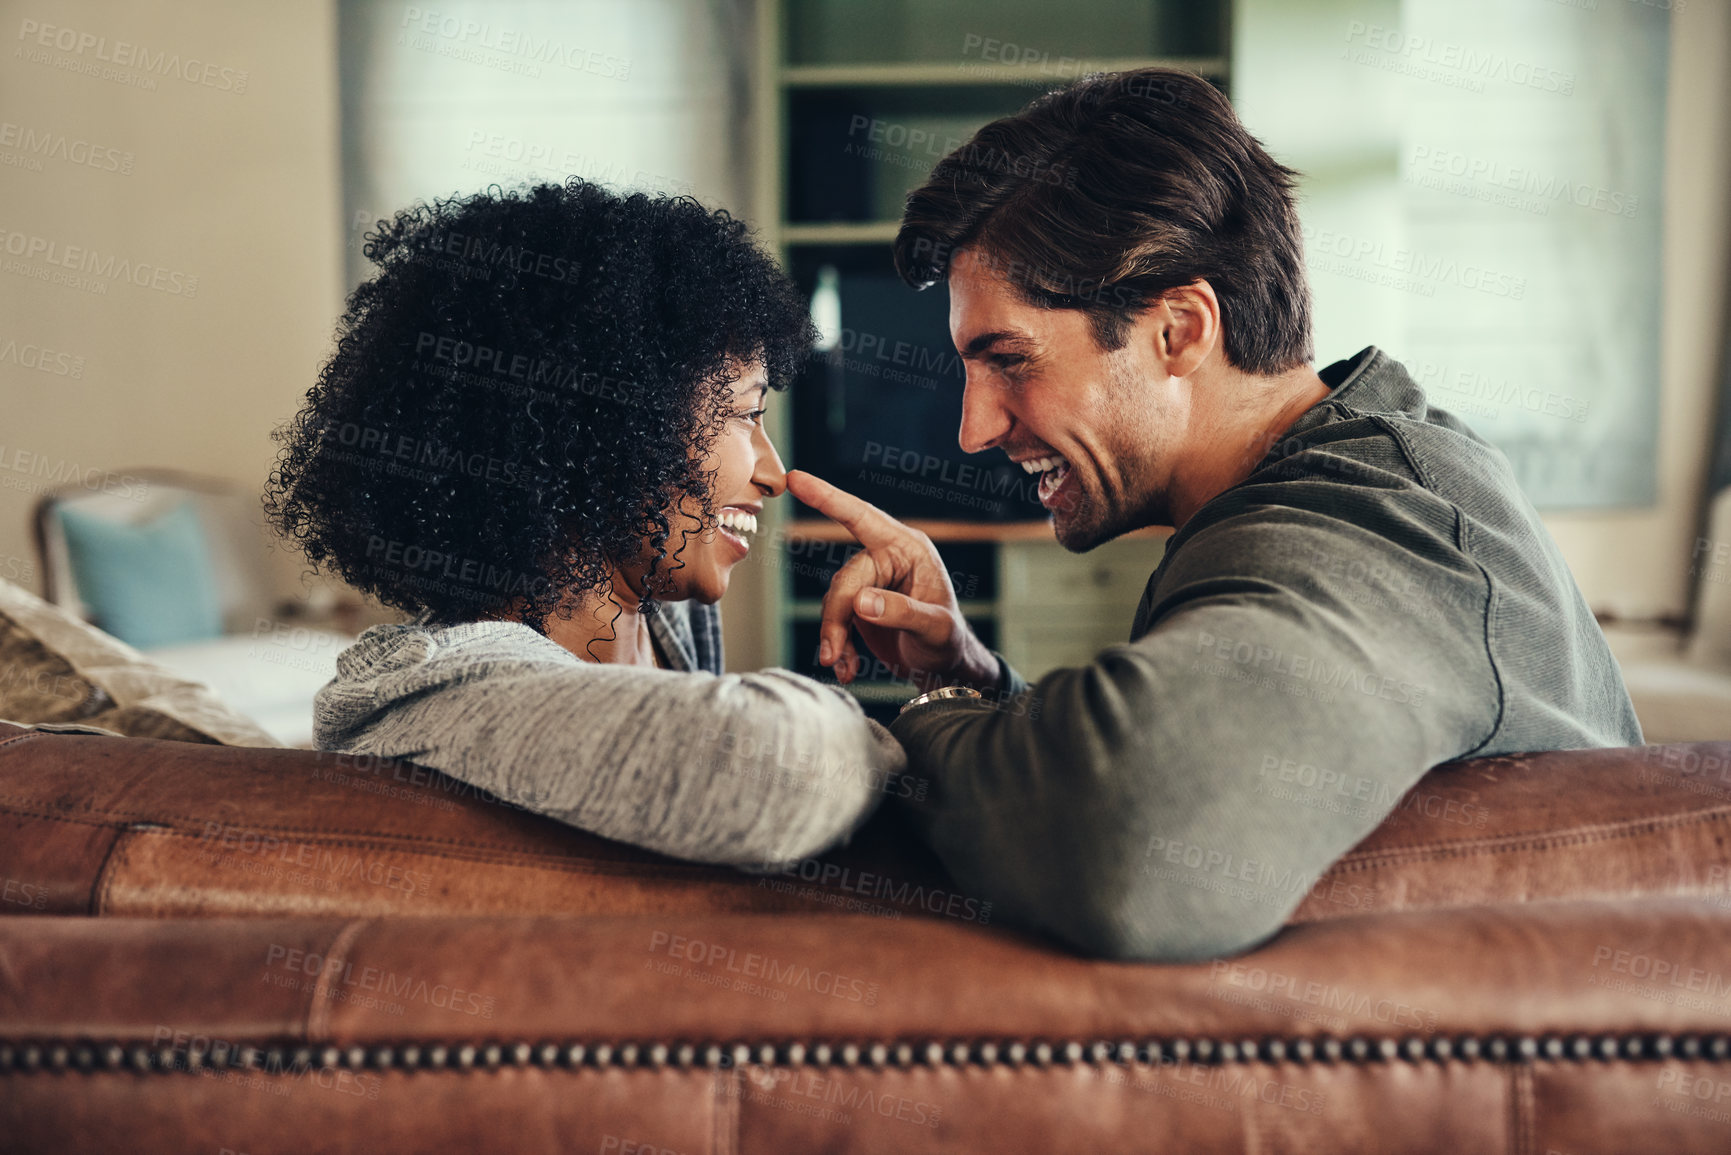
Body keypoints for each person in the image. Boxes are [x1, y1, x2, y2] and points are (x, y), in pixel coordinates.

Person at [786, 67, 1643, 961]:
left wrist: (929, 718)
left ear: (1179, 330)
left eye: (1009, 360)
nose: (973, 429)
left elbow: (1134, 842)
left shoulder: (1378, 520)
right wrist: (974, 678)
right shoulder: (1335, 479)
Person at [265, 180, 903, 868]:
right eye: (746, 415)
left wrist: (961, 672)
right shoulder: (442, 687)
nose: (774, 472)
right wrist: (939, 724)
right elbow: (775, 768)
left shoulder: (666, 618)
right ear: (605, 431)